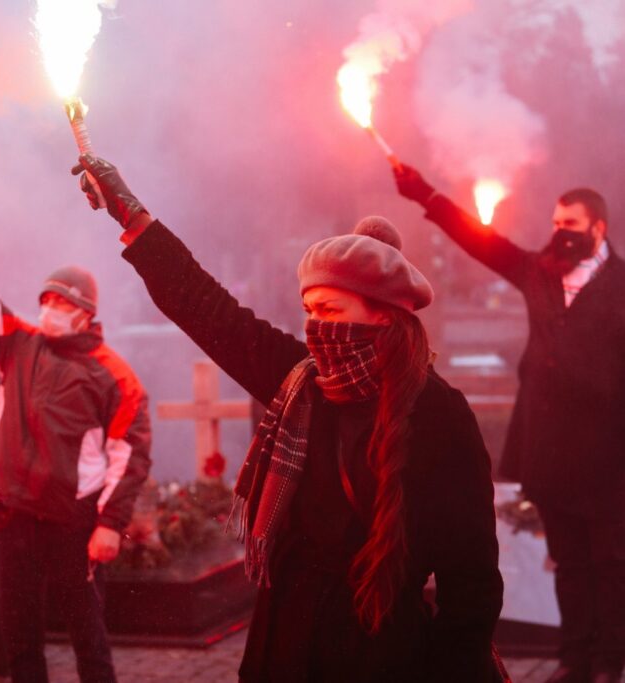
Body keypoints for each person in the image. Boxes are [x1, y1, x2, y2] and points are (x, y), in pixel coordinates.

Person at [71, 154, 504, 682]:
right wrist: (131, 215)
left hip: (381, 656)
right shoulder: (304, 382)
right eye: (310, 310)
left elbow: (472, 579)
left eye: (332, 311)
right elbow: (208, 310)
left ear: (384, 313)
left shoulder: (439, 414)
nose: (317, 328)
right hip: (285, 647)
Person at [394, 164, 625, 683]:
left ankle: (609, 663)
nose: (559, 230)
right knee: (566, 560)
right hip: (551, 447)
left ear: (598, 229)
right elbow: (484, 243)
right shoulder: (538, 272)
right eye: (555, 220)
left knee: (609, 560)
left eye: (571, 222)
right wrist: (425, 194)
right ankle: (573, 658)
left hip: (608, 453)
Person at [0, 195, 152, 683]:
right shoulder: (16, 345)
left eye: (64, 303)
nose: (51, 310)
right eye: (47, 301)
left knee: (88, 637)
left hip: (71, 521)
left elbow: (130, 455)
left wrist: (109, 525)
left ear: (86, 313)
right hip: (12, 510)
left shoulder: (113, 376)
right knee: (19, 640)